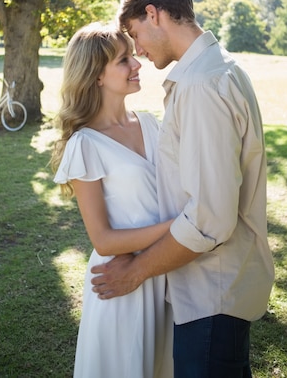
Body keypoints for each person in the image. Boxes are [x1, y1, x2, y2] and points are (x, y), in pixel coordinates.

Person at [90, 0, 275, 378]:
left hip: (211, 293)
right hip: (221, 288)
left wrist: (134, 272)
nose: (137, 49)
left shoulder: (200, 85)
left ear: (153, 14)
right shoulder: (221, 68)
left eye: (135, 33)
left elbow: (209, 221)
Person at [51, 22, 174, 378]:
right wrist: (178, 228)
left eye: (134, 56)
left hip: (167, 271)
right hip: (120, 286)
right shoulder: (85, 144)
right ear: (97, 76)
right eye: (124, 60)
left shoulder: (151, 124)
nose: (137, 65)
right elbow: (102, 239)